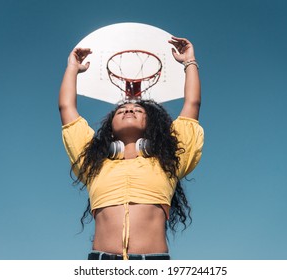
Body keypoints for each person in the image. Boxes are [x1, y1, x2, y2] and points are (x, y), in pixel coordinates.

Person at [59, 36, 204, 260]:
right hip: (101, 263)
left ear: (152, 126)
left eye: (138, 111)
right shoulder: (92, 163)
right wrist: (72, 68)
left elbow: (192, 105)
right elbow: (66, 108)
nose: (129, 110)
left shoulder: (170, 161)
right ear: (110, 130)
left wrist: (189, 62)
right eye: (121, 110)